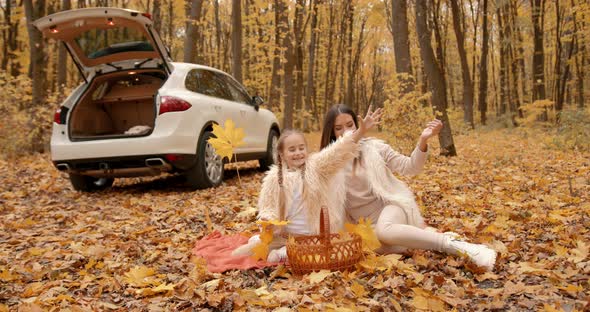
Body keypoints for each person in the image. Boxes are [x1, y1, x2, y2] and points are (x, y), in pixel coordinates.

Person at [320, 104, 497, 271]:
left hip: (390, 208)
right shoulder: (328, 161)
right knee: (386, 247)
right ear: (332, 132)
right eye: (339, 128)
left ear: (357, 124)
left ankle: (457, 246)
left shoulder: (375, 148)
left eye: (350, 125)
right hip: (364, 227)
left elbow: (411, 167)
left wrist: (423, 140)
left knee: (386, 230)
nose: (346, 131)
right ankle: (424, 235)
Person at [232, 107, 383, 262]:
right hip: (285, 235)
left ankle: (285, 253)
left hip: (312, 238)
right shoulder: (274, 178)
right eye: (292, 150)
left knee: (274, 258)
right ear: (282, 154)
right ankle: (268, 245)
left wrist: (361, 132)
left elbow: (338, 151)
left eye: (301, 148)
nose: (298, 153)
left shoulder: (317, 167)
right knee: (240, 254)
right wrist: (267, 220)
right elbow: (268, 207)